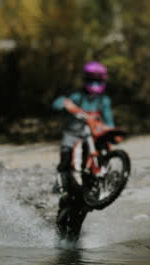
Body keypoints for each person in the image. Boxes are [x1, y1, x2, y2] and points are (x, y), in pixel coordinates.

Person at [52, 61, 115, 194]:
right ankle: (61, 185)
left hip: (93, 134)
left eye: (98, 79)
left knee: (105, 152)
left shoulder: (104, 100)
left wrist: (111, 131)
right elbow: (59, 103)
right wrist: (64, 103)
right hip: (73, 134)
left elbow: (109, 120)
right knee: (66, 155)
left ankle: (104, 181)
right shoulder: (76, 96)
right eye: (92, 79)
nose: (95, 83)